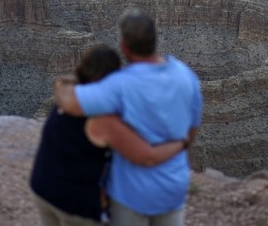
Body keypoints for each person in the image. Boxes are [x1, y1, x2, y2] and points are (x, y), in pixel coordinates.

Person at [54, 9, 203, 226]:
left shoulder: (119, 85)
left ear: (124, 46)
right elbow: (192, 130)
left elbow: (69, 103)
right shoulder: (186, 75)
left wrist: (61, 84)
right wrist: (179, 145)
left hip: (132, 195)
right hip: (173, 188)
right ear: (155, 39)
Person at [31, 43, 187, 226]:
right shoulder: (102, 119)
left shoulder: (68, 94)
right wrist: (181, 143)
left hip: (42, 189)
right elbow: (148, 157)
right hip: (73, 205)